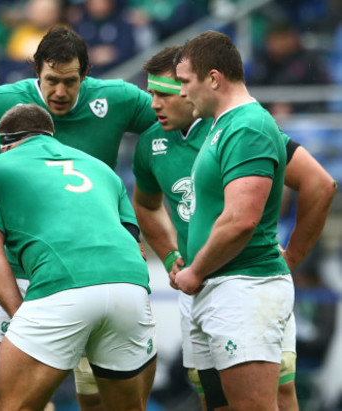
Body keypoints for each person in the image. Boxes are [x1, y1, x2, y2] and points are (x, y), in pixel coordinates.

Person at [0, 26, 157, 409]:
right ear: (36, 72)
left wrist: (21, 314)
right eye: (51, 81)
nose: (60, 92)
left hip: (49, 281)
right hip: (125, 280)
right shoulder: (102, 170)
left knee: (17, 402)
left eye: (70, 82)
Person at [134, 45, 336, 411]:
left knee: (277, 393)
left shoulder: (237, 127)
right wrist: (171, 257)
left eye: (170, 89)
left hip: (244, 285)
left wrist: (293, 256)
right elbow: (146, 206)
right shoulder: (152, 144)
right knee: (215, 400)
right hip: (201, 288)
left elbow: (319, 184)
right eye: (153, 93)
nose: (158, 102)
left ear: (205, 81)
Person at [0, 104, 157, 410]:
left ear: (6, 145)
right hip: (130, 287)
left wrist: (19, 313)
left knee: (11, 406)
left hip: (61, 285)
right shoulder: (101, 169)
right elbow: (135, 244)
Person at [173, 30, 294, 409]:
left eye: (184, 82)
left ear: (213, 78)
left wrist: (195, 271)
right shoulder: (224, 125)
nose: (180, 93)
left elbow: (241, 219)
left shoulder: (247, 127)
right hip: (222, 287)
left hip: (242, 290)